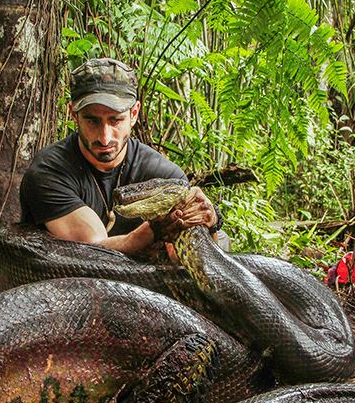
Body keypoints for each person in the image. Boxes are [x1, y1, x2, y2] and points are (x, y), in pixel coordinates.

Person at [20, 57, 223, 256]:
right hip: (60, 283)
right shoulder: (48, 172)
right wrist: (154, 230)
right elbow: (94, 250)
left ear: (134, 114)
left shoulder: (164, 175)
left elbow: (189, 261)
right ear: (74, 114)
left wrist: (210, 221)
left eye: (115, 120)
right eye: (92, 121)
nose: (105, 137)